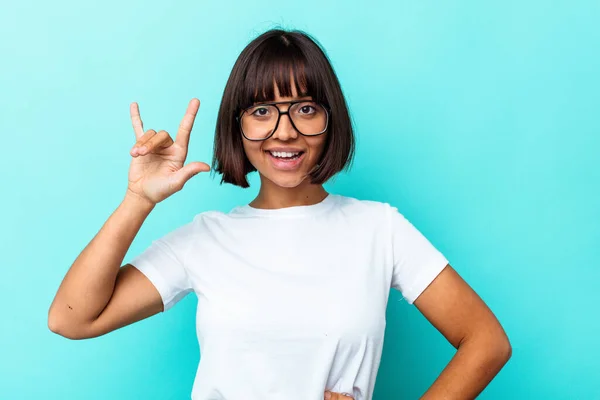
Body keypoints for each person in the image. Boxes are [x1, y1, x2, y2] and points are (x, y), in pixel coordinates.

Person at [48, 28, 512, 400]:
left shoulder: (379, 228)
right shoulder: (205, 239)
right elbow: (72, 318)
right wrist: (138, 200)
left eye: (305, 108)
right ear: (239, 123)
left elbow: (487, 341)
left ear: (332, 121)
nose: (284, 132)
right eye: (262, 110)